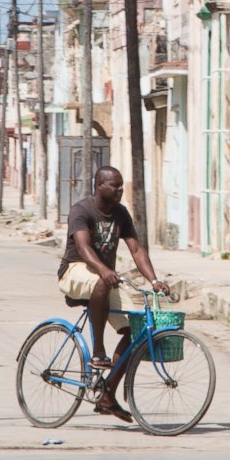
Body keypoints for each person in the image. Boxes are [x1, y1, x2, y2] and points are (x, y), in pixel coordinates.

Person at [58, 166, 161, 422]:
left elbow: (136, 250)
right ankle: (98, 351)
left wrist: (155, 280)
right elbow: (82, 247)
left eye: (121, 185)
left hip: (105, 276)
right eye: (114, 185)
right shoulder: (82, 210)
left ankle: (107, 394)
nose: (120, 190)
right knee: (102, 283)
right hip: (74, 270)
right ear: (99, 185)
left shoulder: (121, 213)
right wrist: (104, 270)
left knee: (135, 331)